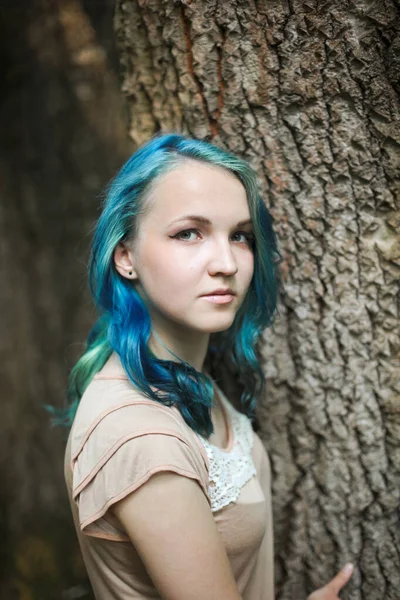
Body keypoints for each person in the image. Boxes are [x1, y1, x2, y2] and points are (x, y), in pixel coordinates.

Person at [63, 133, 354, 599]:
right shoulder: (141, 436)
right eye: (188, 233)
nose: (226, 263)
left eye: (239, 235)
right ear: (125, 256)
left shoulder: (181, 379)